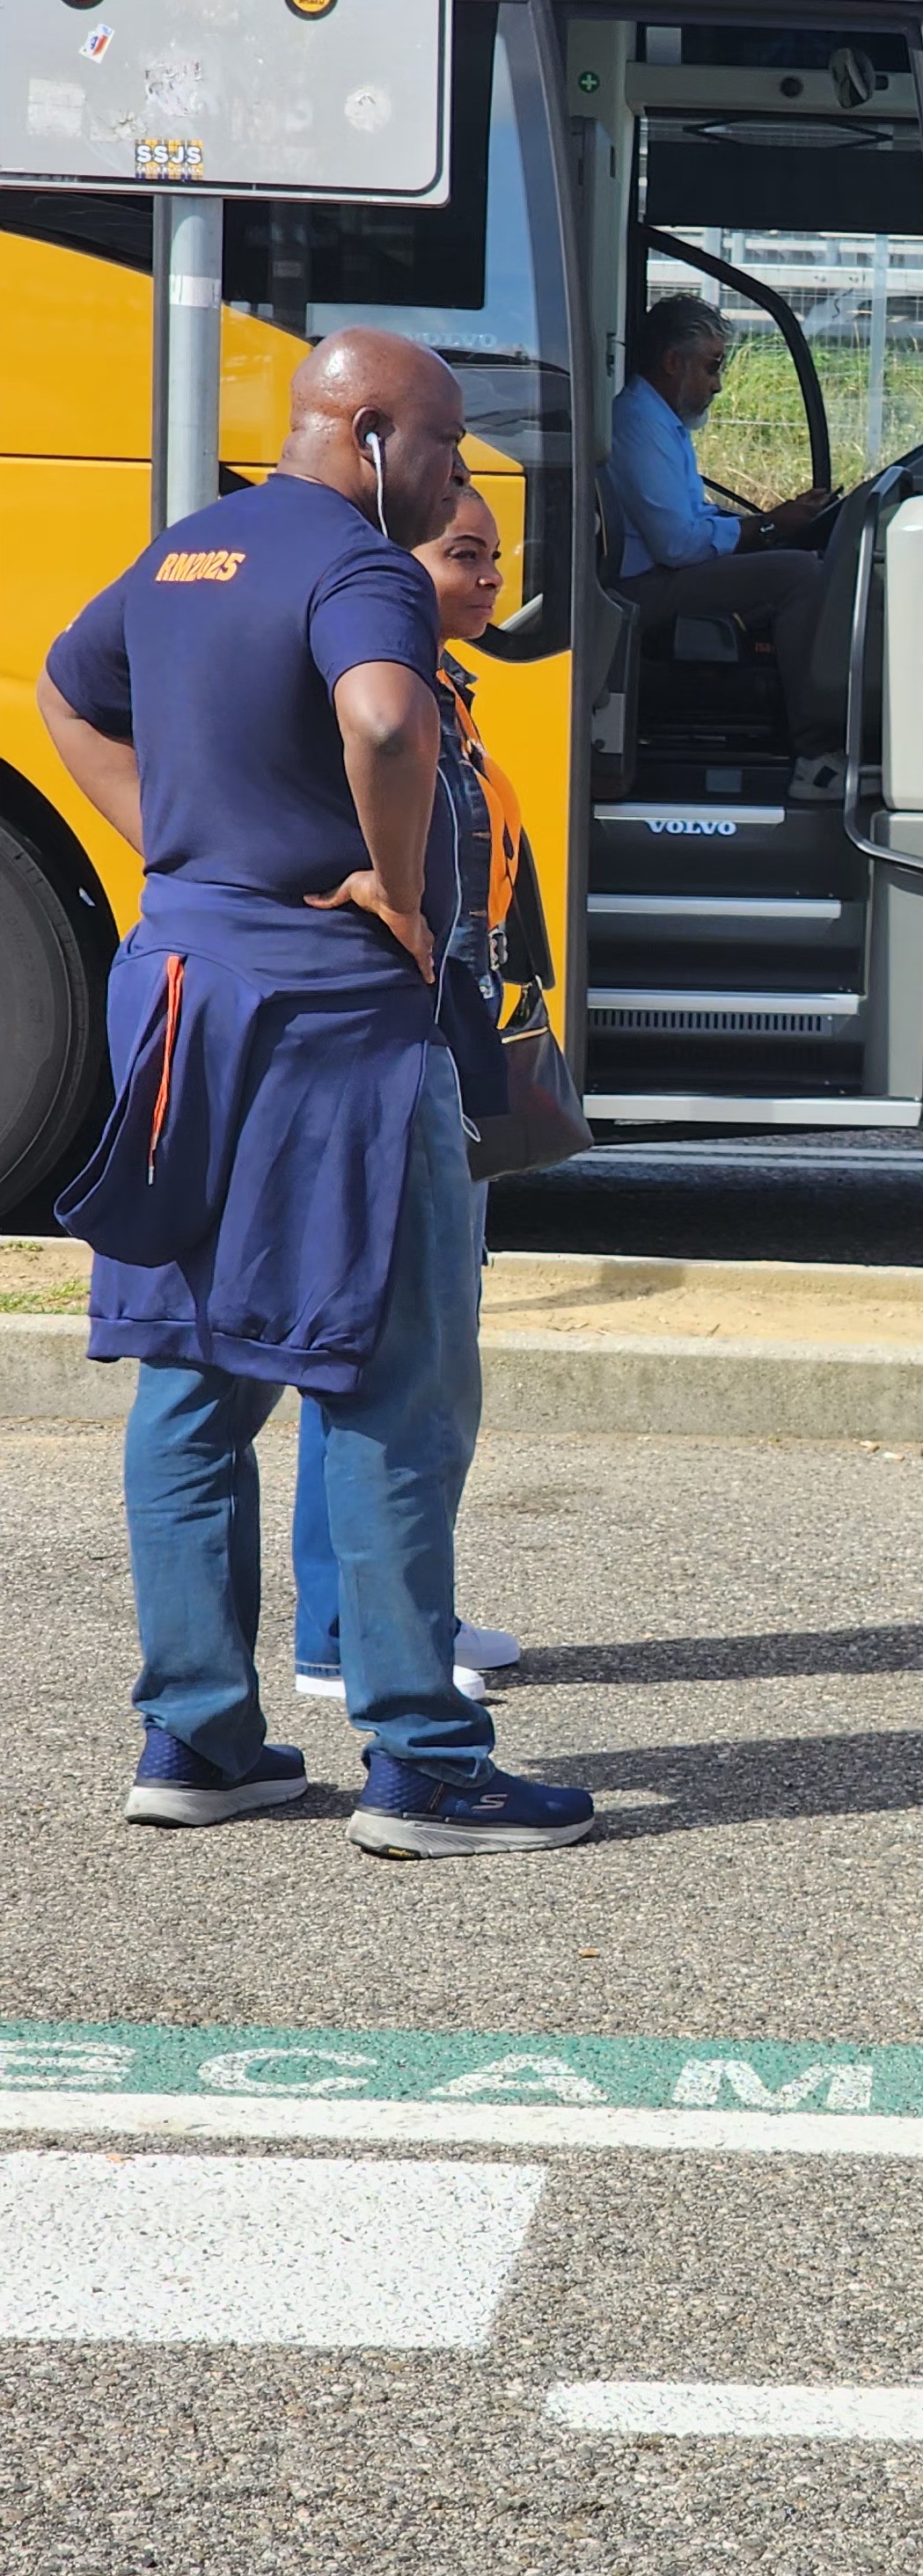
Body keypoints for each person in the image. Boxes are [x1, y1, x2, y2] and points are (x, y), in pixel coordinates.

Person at [36, 330, 595, 1862]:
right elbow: (389, 721)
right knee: (394, 1379)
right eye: (448, 443)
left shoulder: (186, 551)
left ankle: (199, 1738)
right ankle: (424, 1759)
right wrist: (400, 892)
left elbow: (66, 696)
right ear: (371, 433)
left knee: (193, 1373)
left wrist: (183, 844)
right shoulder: (363, 567)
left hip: (179, 993)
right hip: (333, 1019)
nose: (458, 473)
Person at [289, 479, 523, 1714]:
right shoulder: (373, 697)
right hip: (391, 1050)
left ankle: (404, 1603)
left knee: (436, 1343)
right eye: (462, 553)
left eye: (495, 556)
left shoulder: (449, 694)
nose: (489, 578)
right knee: (383, 1346)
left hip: (448, 1045)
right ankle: (345, 1632)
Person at [606, 295, 836, 773]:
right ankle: (815, 753)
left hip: (660, 573)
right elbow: (678, 544)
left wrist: (769, 525)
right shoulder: (639, 424)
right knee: (800, 575)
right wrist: (769, 527)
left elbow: (695, 516)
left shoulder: (660, 423)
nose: (718, 384)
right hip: (642, 587)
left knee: (792, 558)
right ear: (673, 362)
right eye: (712, 367)